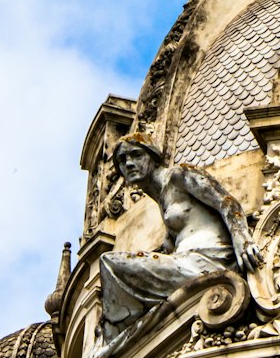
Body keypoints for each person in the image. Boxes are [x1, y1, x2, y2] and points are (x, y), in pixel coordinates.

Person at [99, 133, 262, 344]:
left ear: (153, 156)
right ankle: (119, 338)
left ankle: (112, 343)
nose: (129, 163)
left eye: (136, 154)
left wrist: (243, 240)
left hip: (209, 259)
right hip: (187, 262)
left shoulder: (179, 175)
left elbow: (226, 202)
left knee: (111, 263)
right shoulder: (161, 202)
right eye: (122, 160)